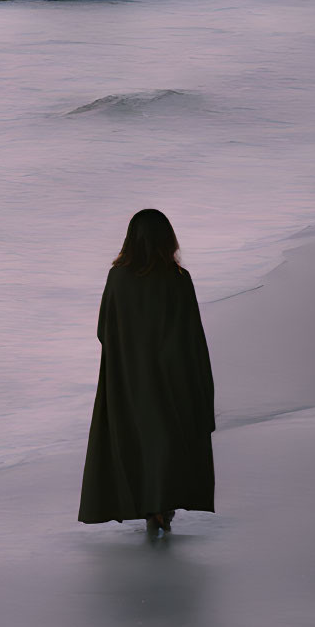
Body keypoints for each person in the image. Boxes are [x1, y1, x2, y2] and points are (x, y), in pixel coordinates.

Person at [79, 209, 215, 535]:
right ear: (168, 239)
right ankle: (160, 505)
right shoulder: (179, 279)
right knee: (166, 437)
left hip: (129, 375)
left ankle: (151, 506)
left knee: (137, 438)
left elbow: (103, 329)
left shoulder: (118, 278)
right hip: (174, 373)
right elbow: (192, 333)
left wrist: (128, 352)